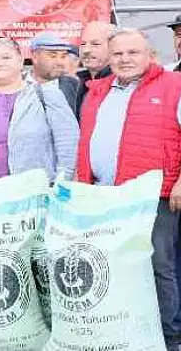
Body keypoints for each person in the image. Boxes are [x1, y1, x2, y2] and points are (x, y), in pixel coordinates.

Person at [75, 29, 181, 351]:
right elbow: (86, 140)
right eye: (118, 54)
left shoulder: (174, 85)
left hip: (154, 197)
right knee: (110, 267)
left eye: (133, 52)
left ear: (150, 54)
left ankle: (170, 340)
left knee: (157, 267)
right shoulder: (98, 90)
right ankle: (121, 337)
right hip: (104, 194)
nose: (125, 59)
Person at [0, 38, 79, 186]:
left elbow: (68, 143)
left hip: (36, 192)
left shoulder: (47, 94)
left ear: (20, 61)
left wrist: (61, 183)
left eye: (6, 57)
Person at [27, 32, 80, 116]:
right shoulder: (16, 84)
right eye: (53, 56)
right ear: (35, 57)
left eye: (63, 56)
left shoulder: (76, 87)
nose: (60, 62)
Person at [76, 21, 115, 114]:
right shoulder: (79, 84)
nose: (86, 50)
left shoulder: (121, 84)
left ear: (113, 47)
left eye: (95, 44)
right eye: (83, 44)